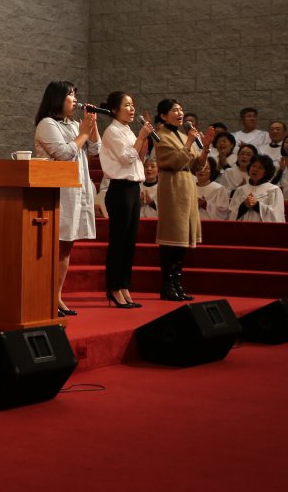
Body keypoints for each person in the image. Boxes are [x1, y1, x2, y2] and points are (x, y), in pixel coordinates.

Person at [33, 81, 100, 316]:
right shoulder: (47, 124)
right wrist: (83, 133)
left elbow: (95, 150)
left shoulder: (73, 125)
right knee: (54, 246)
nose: (75, 99)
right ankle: (43, 296)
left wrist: (92, 127)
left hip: (76, 190)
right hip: (57, 192)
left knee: (66, 247)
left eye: (75, 95)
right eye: (70, 95)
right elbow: (62, 154)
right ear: (57, 99)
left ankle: (56, 296)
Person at [153, 99, 214, 302]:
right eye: (174, 110)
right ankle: (167, 285)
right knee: (172, 237)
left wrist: (205, 148)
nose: (180, 113)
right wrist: (189, 142)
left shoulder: (182, 134)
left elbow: (197, 165)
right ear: (163, 115)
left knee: (182, 239)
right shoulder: (161, 135)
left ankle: (177, 283)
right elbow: (175, 162)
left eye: (181, 109)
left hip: (187, 186)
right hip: (172, 186)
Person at [99, 91, 153, 308]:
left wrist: (143, 144)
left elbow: (136, 160)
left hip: (132, 188)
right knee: (119, 242)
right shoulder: (112, 131)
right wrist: (140, 138)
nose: (132, 109)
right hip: (119, 190)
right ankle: (113, 288)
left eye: (133, 105)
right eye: (127, 105)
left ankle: (124, 286)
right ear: (114, 110)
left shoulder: (128, 130)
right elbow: (125, 158)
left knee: (129, 242)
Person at [229, 155, 285, 222]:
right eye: (253, 166)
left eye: (260, 168)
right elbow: (231, 214)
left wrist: (257, 205)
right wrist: (244, 206)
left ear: (266, 173)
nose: (255, 169)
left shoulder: (273, 190)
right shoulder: (240, 190)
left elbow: (277, 215)